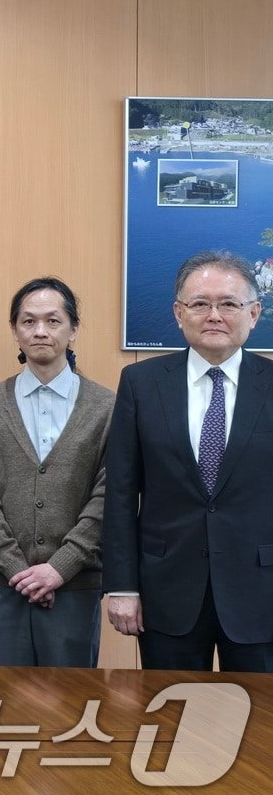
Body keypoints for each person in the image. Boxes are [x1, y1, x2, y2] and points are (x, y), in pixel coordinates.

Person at [104, 250, 273, 671]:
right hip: (167, 592)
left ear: (254, 313)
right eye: (200, 304)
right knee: (172, 722)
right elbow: (122, 492)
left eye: (229, 304)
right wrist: (122, 586)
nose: (214, 314)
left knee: (260, 729)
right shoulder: (141, 383)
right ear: (179, 314)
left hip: (261, 592)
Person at [0, 278, 113, 667]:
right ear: (15, 331)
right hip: (0, 585)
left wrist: (57, 570)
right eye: (28, 322)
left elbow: (108, 498)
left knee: (70, 709)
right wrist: (21, 573)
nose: (40, 331)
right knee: (2, 710)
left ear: (73, 329)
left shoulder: (107, 407)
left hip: (76, 586)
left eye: (53, 320)